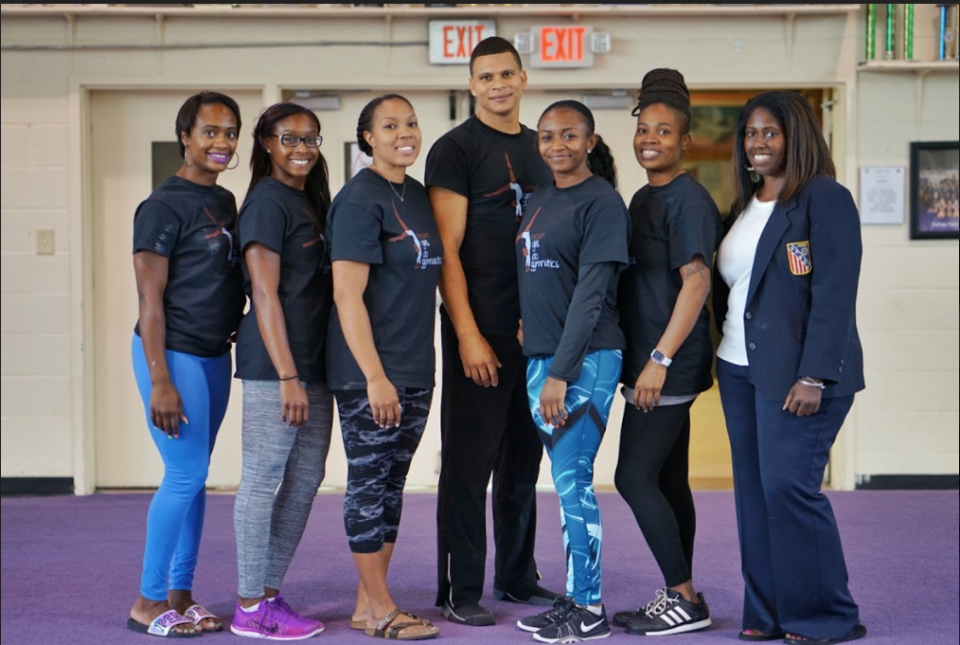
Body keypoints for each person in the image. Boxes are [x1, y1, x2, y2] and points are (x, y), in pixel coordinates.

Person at [713, 91, 867, 645]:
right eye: (751, 133)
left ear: (796, 136)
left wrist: (815, 375)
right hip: (738, 368)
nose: (758, 143)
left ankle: (826, 617)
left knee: (789, 490)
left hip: (800, 375)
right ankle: (769, 612)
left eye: (770, 133)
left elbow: (834, 293)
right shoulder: (748, 203)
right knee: (754, 495)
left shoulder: (823, 198)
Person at [425, 36, 559, 626]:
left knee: (523, 464)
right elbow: (446, 252)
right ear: (472, 84)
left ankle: (517, 574)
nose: (498, 84)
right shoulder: (455, 150)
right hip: (478, 330)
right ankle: (461, 590)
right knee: (468, 464)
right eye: (486, 76)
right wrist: (468, 335)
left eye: (507, 73)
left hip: (536, 335)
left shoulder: (543, 147)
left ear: (523, 78)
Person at [126, 91, 245, 638]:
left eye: (229, 133)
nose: (221, 143)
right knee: (185, 474)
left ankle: (181, 593)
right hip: (171, 354)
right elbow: (149, 302)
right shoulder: (161, 205)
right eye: (210, 132)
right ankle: (147, 602)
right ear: (185, 137)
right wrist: (159, 379)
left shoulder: (223, 202)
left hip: (214, 354)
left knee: (196, 478)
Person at [326, 93, 443, 641]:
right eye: (390, 125)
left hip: (417, 365)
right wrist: (374, 376)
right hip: (369, 373)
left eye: (412, 123)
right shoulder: (359, 200)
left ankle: (364, 606)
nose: (406, 132)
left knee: (391, 484)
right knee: (368, 485)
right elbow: (348, 297)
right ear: (367, 138)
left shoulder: (416, 194)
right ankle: (381, 607)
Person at [514, 100, 630, 644]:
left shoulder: (602, 203)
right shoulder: (538, 199)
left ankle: (591, 610)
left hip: (585, 360)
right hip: (544, 358)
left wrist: (561, 371)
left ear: (590, 141)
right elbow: (541, 278)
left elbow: (590, 296)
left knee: (573, 484)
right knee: (563, 487)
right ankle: (575, 596)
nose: (556, 145)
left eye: (568, 136)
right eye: (546, 136)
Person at [610, 69, 719, 637]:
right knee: (669, 479)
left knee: (633, 477)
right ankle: (685, 594)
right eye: (643, 129)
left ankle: (683, 597)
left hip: (669, 361)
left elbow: (695, 283)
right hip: (652, 357)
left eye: (664, 132)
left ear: (684, 141)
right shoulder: (643, 195)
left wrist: (659, 359)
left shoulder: (688, 199)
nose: (651, 139)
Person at [230, 102, 334, 640]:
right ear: (266, 142)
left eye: (310, 139)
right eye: (290, 138)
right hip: (277, 367)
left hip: (313, 363)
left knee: (306, 478)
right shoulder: (268, 203)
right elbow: (264, 294)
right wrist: (288, 375)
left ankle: (269, 591)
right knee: (263, 480)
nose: (302, 149)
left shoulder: (306, 201)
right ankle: (250, 606)